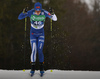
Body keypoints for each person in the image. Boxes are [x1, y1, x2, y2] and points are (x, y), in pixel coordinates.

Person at [18, 2, 57, 76]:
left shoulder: (44, 12)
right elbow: (19, 17)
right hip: (33, 34)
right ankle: (32, 68)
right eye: (36, 10)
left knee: (39, 50)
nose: (38, 12)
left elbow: (55, 19)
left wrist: (52, 14)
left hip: (41, 34)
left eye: (39, 11)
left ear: (41, 9)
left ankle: (41, 68)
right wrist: (23, 12)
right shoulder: (31, 12)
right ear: (34, 9)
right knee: (34, 49)